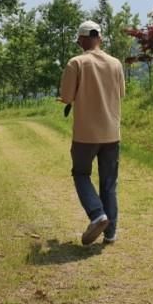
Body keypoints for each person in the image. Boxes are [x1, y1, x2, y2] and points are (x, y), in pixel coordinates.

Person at [59, 20, 126, 245]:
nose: (79, 44)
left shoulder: (76, 63)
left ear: (84, 38)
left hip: (85, 135)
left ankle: (97, 215)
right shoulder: (116, 63)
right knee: (109, 183)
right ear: (100, 37)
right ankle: (110, 233)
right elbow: (121, 93)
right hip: (112, 134)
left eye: (79, 40)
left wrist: (69, 98)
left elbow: (66, 97)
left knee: (81, 174)